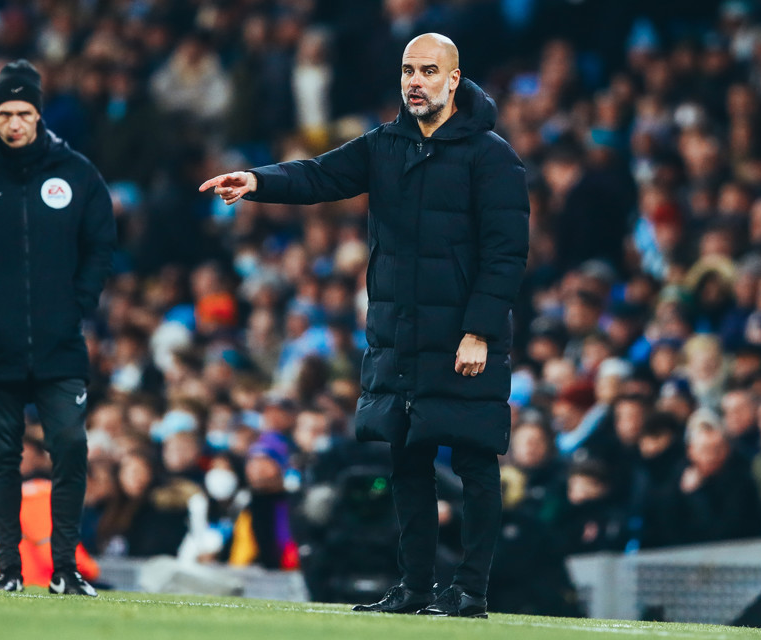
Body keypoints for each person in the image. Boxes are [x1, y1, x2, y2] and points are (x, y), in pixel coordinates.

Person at [201, 33, 529, 618]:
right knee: (406, 462)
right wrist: (257, 180)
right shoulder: (385, 144)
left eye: (429, 71)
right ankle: (416, 587)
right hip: (399, 335)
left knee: (476, 461)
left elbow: (506, 254)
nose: (416, 81)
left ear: (454, 80)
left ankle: (472, 590)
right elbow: (319, 176)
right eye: (408, 70)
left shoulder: (492, 155)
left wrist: (477, 330)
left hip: (465, 339)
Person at [0, 59, 116, 596]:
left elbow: (101, 243)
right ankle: (7, 569)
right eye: (6, 113)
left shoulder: (77, 172)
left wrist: (78, 301)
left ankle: (65, 569)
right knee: (2, 456)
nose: (15, 123)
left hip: (59, 344)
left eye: (25, 112)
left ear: (39, 115)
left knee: (70, 446)